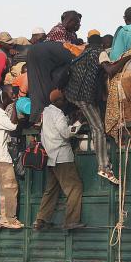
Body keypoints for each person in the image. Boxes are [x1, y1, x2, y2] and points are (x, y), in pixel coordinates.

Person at [65, 32, 119, 184]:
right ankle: (104, 167)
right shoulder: (100, 52)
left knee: (94, 123)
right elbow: (110, 70)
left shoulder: (82, 55)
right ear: (101, 43)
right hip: (85, 98)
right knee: (98, 129)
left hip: (73, 96)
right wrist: (126, 58)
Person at [35, 90, 85, 231]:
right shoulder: (58, 113)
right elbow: (66, 133)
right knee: (75, 187)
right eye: (63, 99)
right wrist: (80, 121)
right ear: (58, 101)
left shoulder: (46, 112)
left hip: (50, 157)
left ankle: (41, 220)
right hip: (62, 157)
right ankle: (71, 221)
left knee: (51, 189)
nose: (66, 102)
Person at [0, 88, 23, 228]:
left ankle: (5, 219)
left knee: (4, 190)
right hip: (0, 157)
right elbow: (13, 126)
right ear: (2, 101)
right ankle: (10, 219)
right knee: (11, 187)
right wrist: (16, 106)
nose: (9, 99)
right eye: (7, 98)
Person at [26, 40, 74, 121]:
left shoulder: (34, 49)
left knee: (38, 95)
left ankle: (38, 119)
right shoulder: (63, 49)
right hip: (50, 82)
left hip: (37, 68)